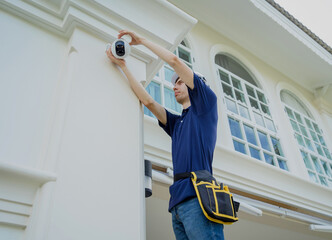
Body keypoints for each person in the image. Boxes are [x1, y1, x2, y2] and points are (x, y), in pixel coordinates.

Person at [106, 30, 223, 240]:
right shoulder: (178, 123)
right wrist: (123, 66)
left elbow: (174, 60)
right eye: (174, 83)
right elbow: (149, 102)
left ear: (196, 86)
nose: (174, 86)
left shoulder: (206, 106)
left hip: (199, 198)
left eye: (179, 82)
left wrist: (141, 40)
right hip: (177, 204)